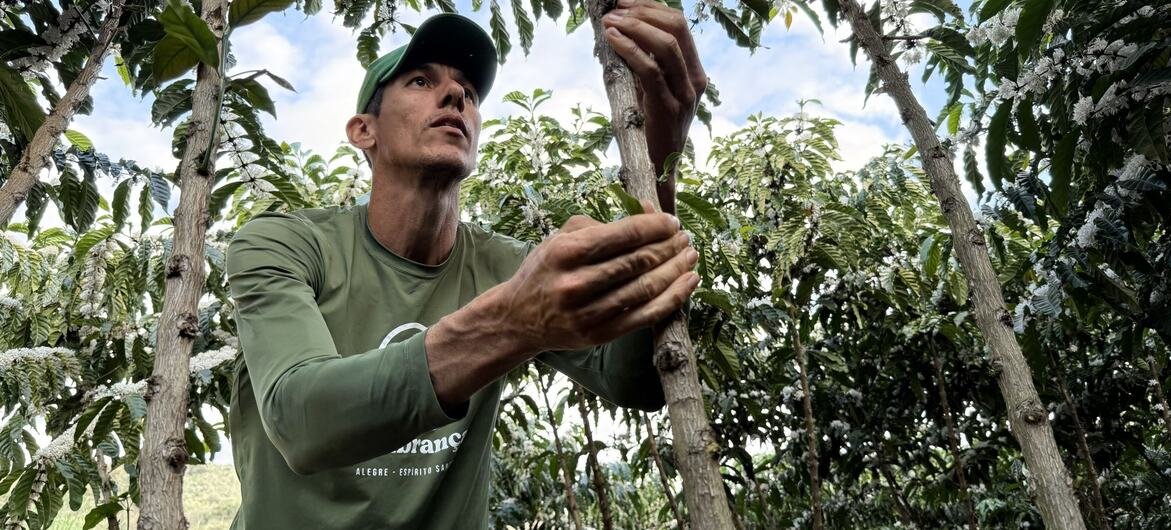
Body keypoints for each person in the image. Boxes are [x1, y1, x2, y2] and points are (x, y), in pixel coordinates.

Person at [225, 3, 707, 528]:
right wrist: (511, 323)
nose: (456, 95)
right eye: (419, 81)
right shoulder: (282, 244)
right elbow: (301, 419)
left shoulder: (504, 265)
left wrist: (656, 159)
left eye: (469, 93)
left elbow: (631, 381)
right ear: (364, 130)